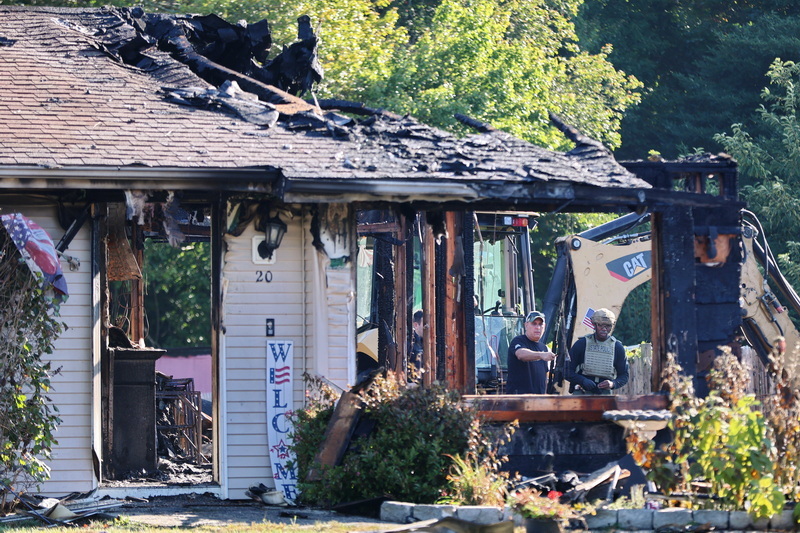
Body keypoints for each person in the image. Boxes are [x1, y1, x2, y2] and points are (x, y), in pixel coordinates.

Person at [568, 308, 629, 395]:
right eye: (601, 325)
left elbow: (624, 376)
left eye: (607, 326)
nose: (604, 329)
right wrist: (582, 380)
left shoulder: (617, 347)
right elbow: (567, 371)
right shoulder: (582, 344)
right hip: (582, 391)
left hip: (604, 393)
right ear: (594, 325)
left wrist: (612, 384)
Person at [506, 311, 557, 394]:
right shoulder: (518, 341)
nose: (538, 327)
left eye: (540, 324)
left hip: (539, 402)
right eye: (534, 323)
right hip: (518, 401)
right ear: (526, 325)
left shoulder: (544, 348)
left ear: (545, 327)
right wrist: (541, 355)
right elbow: (521, 354)